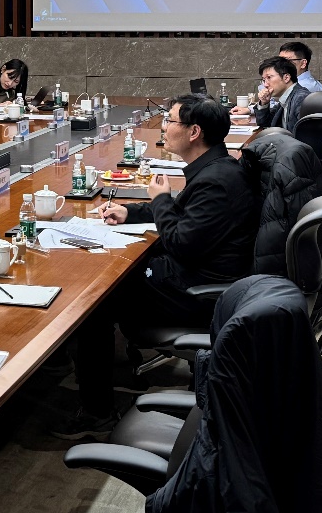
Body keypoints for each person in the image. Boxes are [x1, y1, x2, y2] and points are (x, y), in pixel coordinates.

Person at [55, 94, 257, 440]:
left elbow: (180, 241)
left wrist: (160, 199)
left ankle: (97, 412)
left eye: (171, 121)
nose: (164, 127)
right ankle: (110, 368)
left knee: (92, 304)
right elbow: (186, 213)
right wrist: (130, 212)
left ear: (194, 132)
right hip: (196, 276)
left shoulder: (217, 181)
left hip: (197, 292)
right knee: (111, 278)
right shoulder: (217, 168)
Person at [250, 55, 311, 133]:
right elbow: (265, 125)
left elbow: (306, 135)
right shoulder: (284, 99)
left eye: (269, 77)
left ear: (286, 78)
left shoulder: (301, 98)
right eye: (264, 80)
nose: (265, 84)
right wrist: (264, 103)